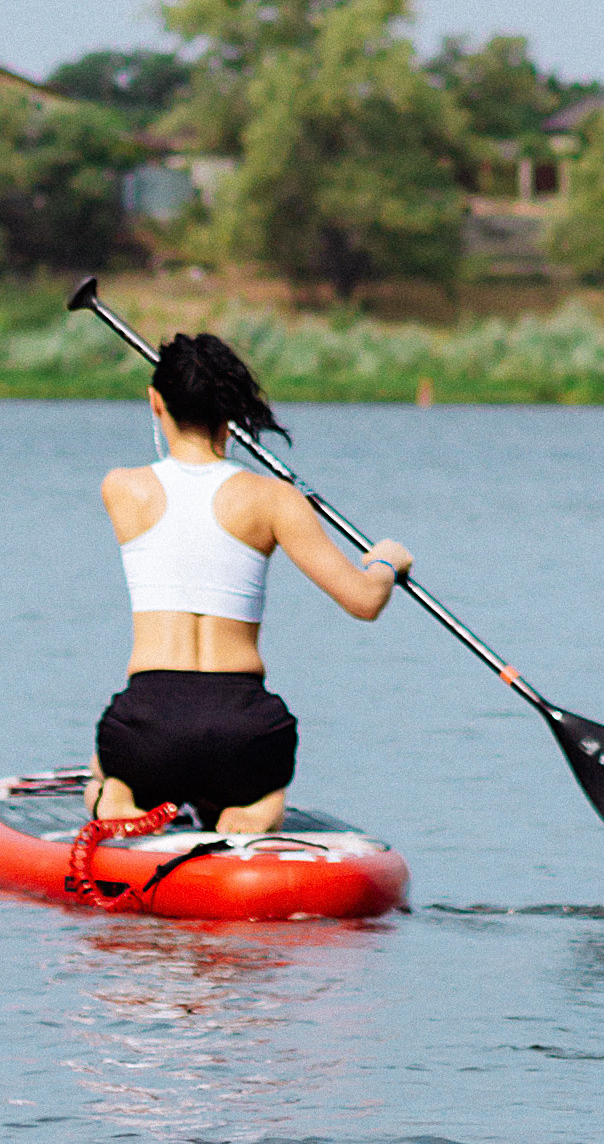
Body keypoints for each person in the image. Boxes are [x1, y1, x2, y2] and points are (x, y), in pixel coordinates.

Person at [88, 329, 412, 839]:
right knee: (259, 785)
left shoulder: (122, 488)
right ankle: (254, 812)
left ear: (155, 402)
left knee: (105, 769)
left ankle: (119, 797)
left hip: (148, 724)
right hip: (241, 729)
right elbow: (365, 601)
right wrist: (388, 563)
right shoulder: (275, 499)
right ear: (232, 411)